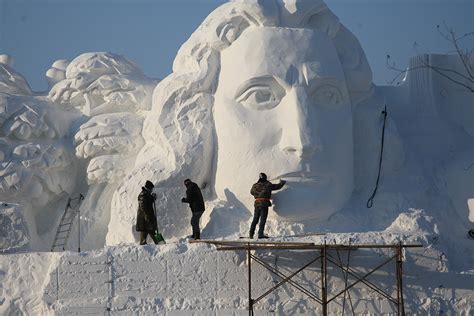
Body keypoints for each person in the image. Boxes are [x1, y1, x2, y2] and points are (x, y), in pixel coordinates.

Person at [249, 173, 286, 239]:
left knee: (255, 219)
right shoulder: (268, 184)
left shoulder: (255, 185)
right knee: (262, 220)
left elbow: (251, 192)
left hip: (257, 203)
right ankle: (260, 234)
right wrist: (282, 183)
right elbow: (276, 187)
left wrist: (258, 194)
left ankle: (251, 234)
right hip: (264, 203)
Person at [136, 180, 160, 245]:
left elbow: (149, 202)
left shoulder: (146, 194)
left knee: (148, 230)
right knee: (148, 230)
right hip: (144, 217)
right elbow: (143, 206)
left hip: (147, 216)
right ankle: (159, 242)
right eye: (151, 189)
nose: (152, 190)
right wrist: (147, 215)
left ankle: (144, 243)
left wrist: (153, 198)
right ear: (148, 188)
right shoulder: (143, 194)